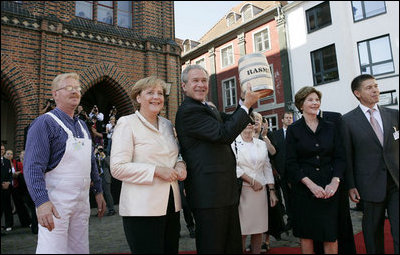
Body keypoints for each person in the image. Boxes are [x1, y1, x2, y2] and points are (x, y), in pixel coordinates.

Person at [175, 64, 263, 253]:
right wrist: (246, 105)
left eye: (204, 80)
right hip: (208, 196)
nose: (201, 85)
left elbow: (232, 120)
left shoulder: (206, 108)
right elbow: (224, 134)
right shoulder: (189, 111)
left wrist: (243, 99)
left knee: (230, 247)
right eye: (195, 81)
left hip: (224, 192)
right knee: (213, 247)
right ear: (184, 86)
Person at [24, 72, 106, 253]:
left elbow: (91, 161)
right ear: (55, 94)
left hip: (81, 201)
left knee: (79, 248)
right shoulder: (44, 123)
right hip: (55, 203)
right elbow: (33, 167)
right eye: (68, 88)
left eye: (77, 88)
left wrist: (98, 191)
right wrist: (41, 202)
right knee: (52, 249)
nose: (75, 92)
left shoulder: (83, 126)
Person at [110, 76, 187, 254]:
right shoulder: (127, 123)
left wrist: (181, 164)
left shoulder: (167, 124)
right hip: (141, 208)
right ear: (138, 98)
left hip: (170, 204)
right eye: (150, 92)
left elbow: (174, 154)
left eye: (160, 93)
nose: (156, 97)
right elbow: (117, 167)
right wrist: (156, 171)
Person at [342, 74, 399, 254]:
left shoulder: (394, 114)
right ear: (357, 93)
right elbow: (347, 156)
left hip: (396, 182)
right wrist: (351, 185)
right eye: (369, 87)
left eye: (375, 86)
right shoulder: (347, 121)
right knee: (373, 233)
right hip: (369, 185)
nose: (375, 90)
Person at [286, 86, 346, 254]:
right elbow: (291, 163)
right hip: (304, 189)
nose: (315, 103)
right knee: (307, 234)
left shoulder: (330, 127)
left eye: (317, 100)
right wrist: (310, 185)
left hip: (329, 187)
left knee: (330, 234)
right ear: (301, 104)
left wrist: (335, 182)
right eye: (310, 100)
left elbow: (340, 158)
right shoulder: (293, 129)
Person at [232, 117, 278, 254]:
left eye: (251, 123)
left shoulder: (261, 144)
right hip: (242, 192)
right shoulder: (233, 144)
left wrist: (272, 191)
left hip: (260, 192)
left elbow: (267, 168)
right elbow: (233, 167)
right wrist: (251, 181)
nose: (249, 126)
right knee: (242, 230)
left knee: (258, 229)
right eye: (245, 123)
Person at [271, 111, 294, 232]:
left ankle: (300, 219)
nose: (289, 119)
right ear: (282, 120)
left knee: (297, 197)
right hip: (282, 173)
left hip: (295, 173)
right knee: (286, 197)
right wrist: (277, 171)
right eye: (287, 118)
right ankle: (290, 220)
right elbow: (274, 154)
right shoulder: (276, 134)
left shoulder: (297, 133)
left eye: (291, 118)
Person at [5, 149, 32, 228]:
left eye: (11, 154)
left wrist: (19, 173)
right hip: (7, 187)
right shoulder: (3, 164)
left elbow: (24, 170)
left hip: (16, 186)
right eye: (8, 154)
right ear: (5, 155)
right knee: (7, 206)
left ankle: (26, 222)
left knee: (20, 205)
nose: (9, 155)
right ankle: (8, 224)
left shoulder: (17, 163)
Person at [94, 145, 116, 216]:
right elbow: (92, 163)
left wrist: (104, 156)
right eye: (99, 149)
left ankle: (111, 209)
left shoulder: (106, 156)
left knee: (107, 193)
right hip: (97, 177)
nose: (100, 150)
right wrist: (94, 153)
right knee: (99, 194)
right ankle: (100, 210)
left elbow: (109, 164)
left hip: (105, 177)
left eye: (101, 149)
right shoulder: (94, 157)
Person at [1, 144, 14, 233]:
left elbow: (10, 174)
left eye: (3, 149)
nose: (2, 150)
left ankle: (9, 224)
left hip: (6, 188)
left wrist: (8, 182)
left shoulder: (6, 161)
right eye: (0, 149)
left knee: (7, 206)